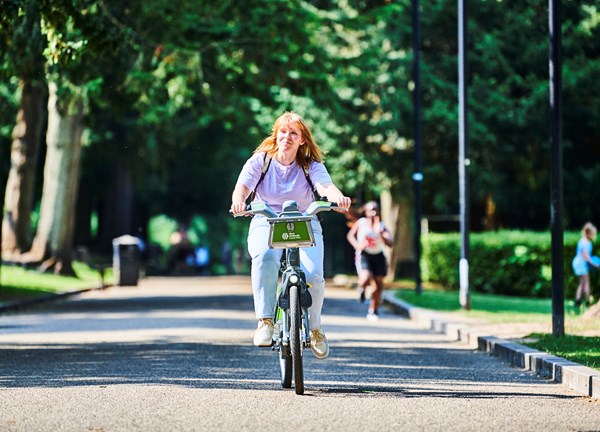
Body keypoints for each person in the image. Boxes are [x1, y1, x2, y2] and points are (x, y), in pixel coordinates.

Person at [231, 111, 351, 359]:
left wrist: (336, 197)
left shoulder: (310, 166)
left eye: (293, 133)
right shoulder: (260, 161)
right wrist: (239, 202)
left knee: (315, 275)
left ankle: (316, 329)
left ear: (302, 140)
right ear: (276, 135)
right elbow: (242, 187)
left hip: (304, 221)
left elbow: (325, 186)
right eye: (283, 132)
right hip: (268, 219)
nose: (287, 137)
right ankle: (265, 321)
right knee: (265, 258)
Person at [346, 201, 393, 321]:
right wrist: (358, 245)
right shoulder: (361, 223)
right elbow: (350, 235)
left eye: (375, 210)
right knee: (366, 277)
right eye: (370, 210)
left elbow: (390, 243)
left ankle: (373, 310)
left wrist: (380, 233)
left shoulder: (381, 226)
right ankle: (361, 288)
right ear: (366, 212)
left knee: (378, 286)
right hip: (364, 255)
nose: (373, 212)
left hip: (378, 255)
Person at [572, 222, 599, 308]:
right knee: (587, 282)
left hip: (576, 261)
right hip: (581, 263)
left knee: (581, 283)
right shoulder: (587, 243)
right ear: (589, 233)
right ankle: (587, 301)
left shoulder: (581, 240)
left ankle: (577, 300)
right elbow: (585, 255)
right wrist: (594, 264)